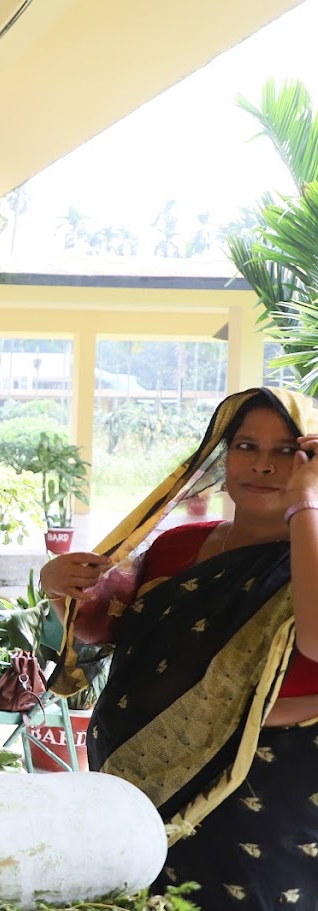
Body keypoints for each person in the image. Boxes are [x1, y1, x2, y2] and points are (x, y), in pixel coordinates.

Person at [41, 388, 318, 908]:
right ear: (221, 456)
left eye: (286, 451)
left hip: (260, 793)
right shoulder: (178, 544)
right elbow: (111, 631)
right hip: (138, 785)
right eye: (246, 446)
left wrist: (308, 504)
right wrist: (59, 587)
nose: (262, 465)